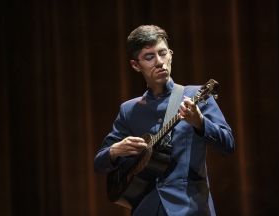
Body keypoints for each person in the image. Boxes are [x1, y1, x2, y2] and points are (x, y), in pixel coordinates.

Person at [94, 25, 235, 216]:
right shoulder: (129, 110)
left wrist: (200, 123)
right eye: (150, 57)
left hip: (189, 208)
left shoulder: (194, 96)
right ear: (136, 65)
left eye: (163, 53)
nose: (159, 62)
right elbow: (99, 164)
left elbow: (228, 145)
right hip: (146, 208)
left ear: (171, 55)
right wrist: (114, 151)